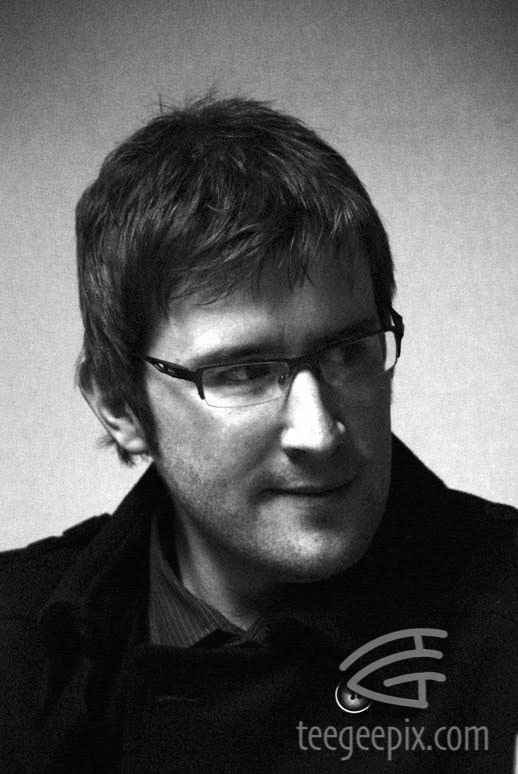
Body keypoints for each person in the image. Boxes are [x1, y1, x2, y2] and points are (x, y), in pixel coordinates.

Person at [1, 96, 516, 774]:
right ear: (120, 404)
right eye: (243, 372)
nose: (319, 433)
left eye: (348, 351)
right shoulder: (15, 640)